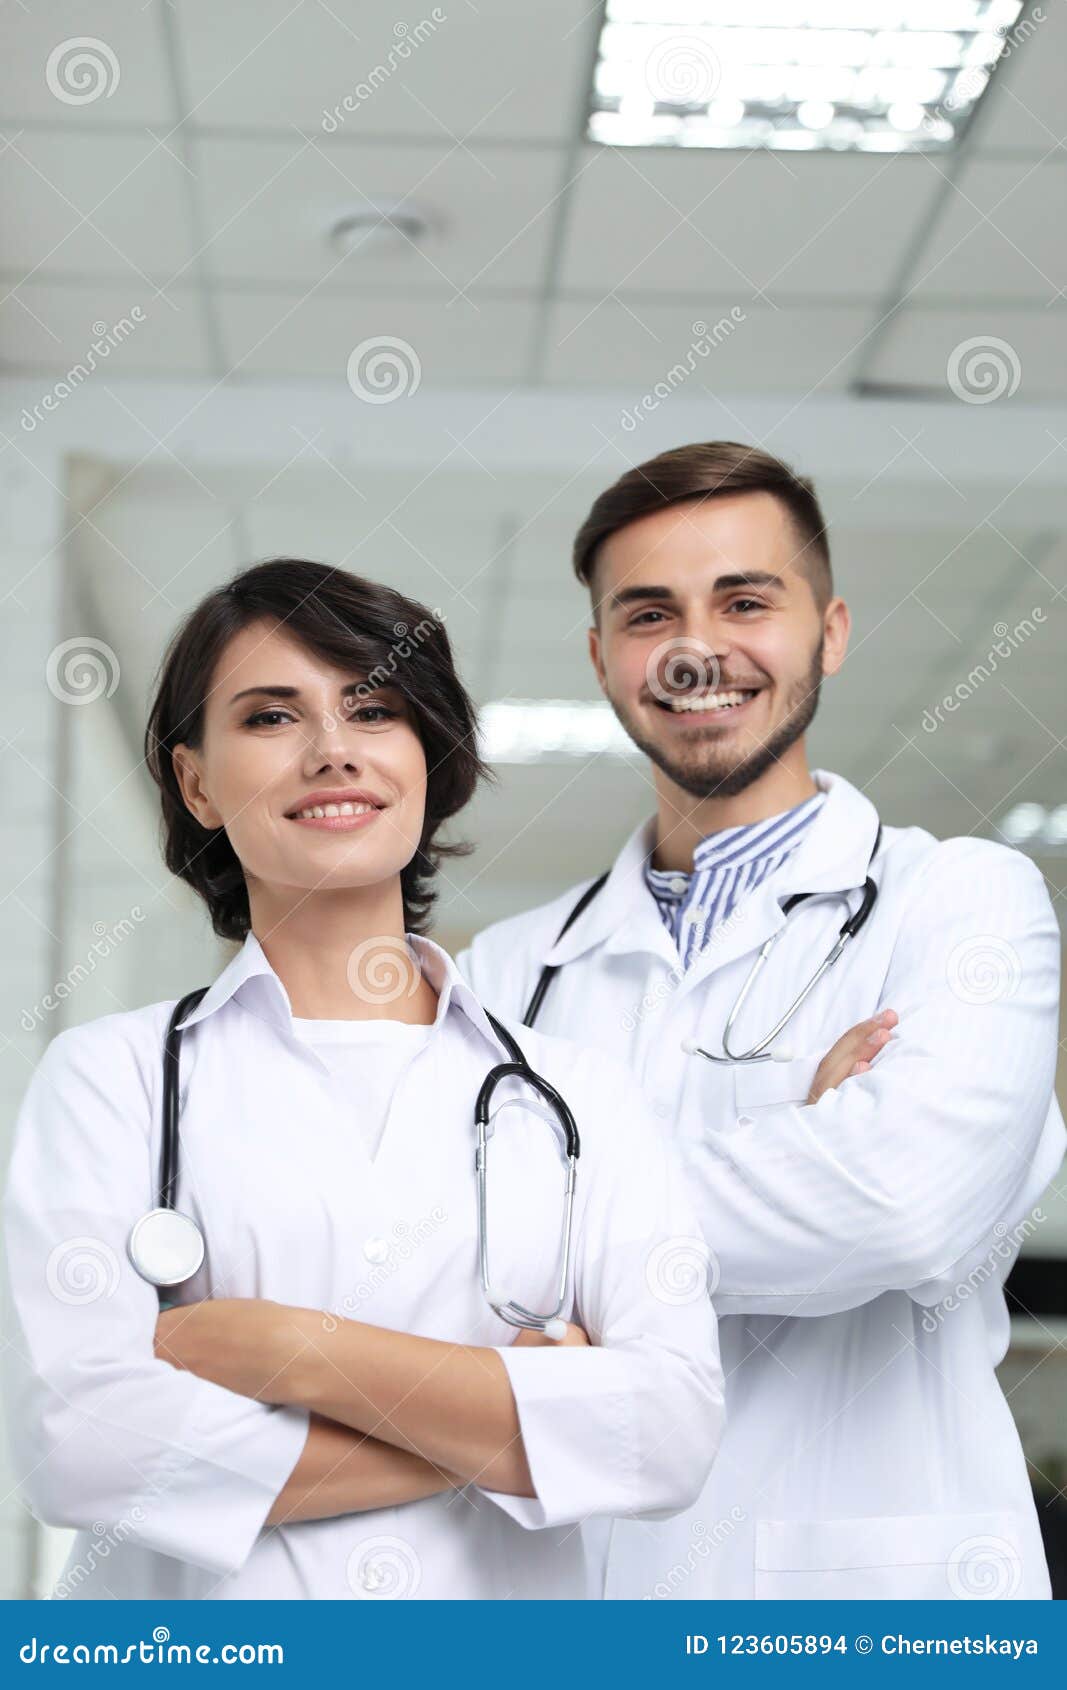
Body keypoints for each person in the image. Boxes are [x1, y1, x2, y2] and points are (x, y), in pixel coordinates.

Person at [1, 558, 725, 1601]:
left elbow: (666, 1435)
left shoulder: (578, 1096)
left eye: (372, 708)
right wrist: (519, 1418)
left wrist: (292, 1350)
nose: (332, 751)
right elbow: (78, 1444)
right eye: (269, 717)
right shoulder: (111, 1079)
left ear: (424, 755)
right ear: (195, 781)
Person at [460, 441, 1065, 1601]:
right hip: (579, 1599)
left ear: (827, 630)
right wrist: (797, 1141)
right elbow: (436, 1274)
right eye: (648, 613)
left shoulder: (962, 901)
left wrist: (544, 1220)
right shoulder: (509, 970)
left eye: (744, 599)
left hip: (867, 1600)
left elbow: (897, 1208)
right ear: (600, 657)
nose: (696, 648)